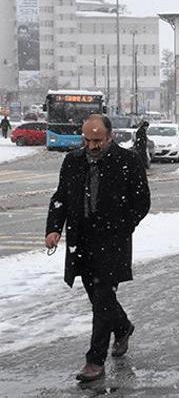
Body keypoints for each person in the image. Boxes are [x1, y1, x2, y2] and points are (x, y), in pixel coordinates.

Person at [45, 114, 150, 382]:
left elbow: (141, 202)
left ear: (110, 136)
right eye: (87, 140)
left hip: (112, 242)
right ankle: (123, 326)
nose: (92, 146)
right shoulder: (72, 161)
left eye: (97, 140)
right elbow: (61, 198)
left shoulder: (128, 161)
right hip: (82, 241)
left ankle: (94, 361)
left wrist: (122, 228)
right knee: (97, 297)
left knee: (102, 299)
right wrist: (54, 228)